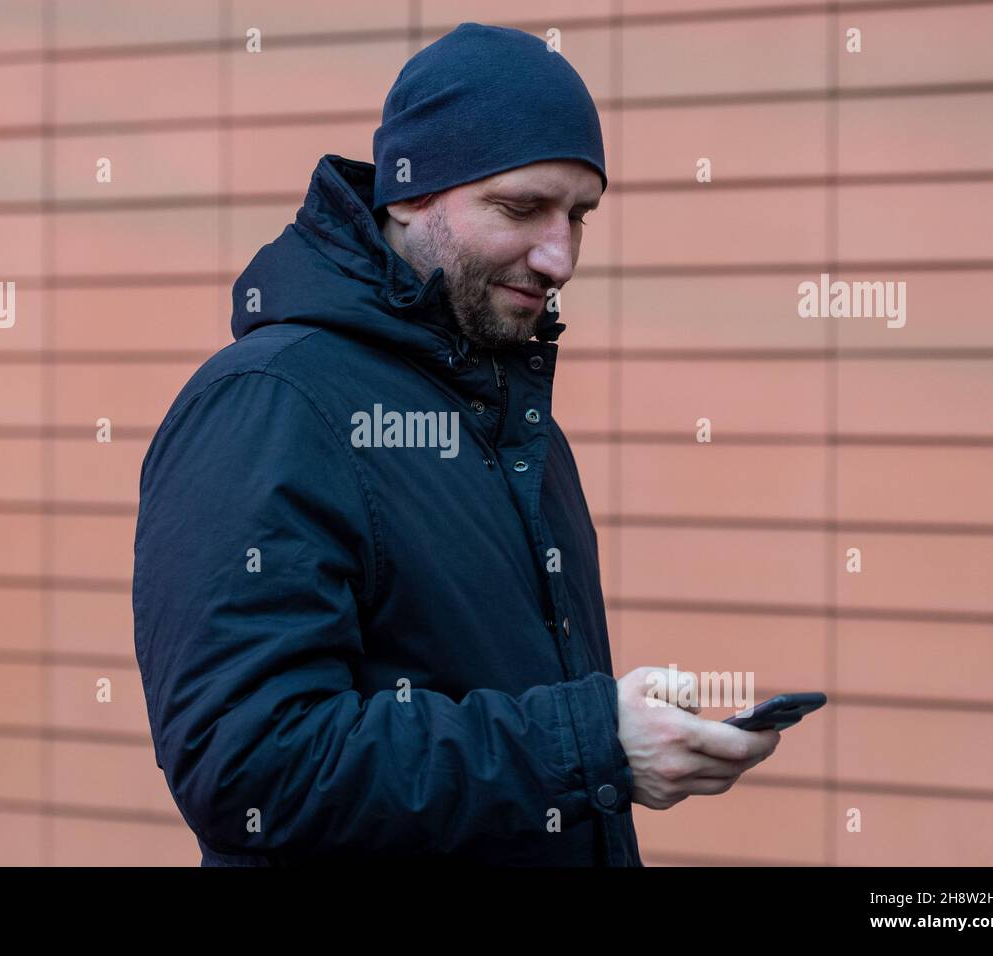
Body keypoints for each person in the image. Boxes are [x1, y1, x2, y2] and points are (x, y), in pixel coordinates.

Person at [132, 21, 779, 867]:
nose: (559, 258)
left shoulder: (507, 410)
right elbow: (247, 766)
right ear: (408, 195)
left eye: (578, 216)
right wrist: (589, 740)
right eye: (521, 208)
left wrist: (618, 730)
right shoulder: (269, 403)